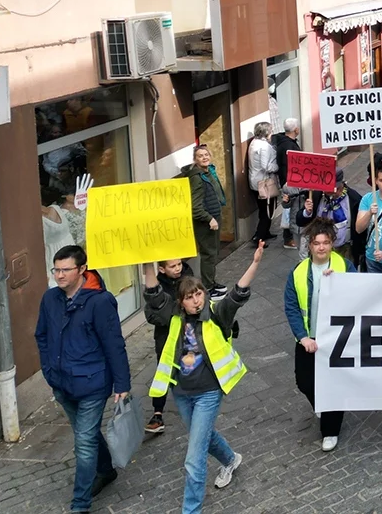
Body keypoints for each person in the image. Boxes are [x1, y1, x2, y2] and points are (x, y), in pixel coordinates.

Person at [147, 243, 263, 512]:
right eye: (189, 297)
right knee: (204, 435)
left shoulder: (216, 313)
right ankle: (231, 459)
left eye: (199, 294)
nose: (196, 300)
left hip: (209, 392)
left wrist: (255, 263)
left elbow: (236, 295)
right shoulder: (173, 317)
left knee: (194, 456)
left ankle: (191, 510)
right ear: (181, 302)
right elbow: (153, 295)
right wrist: (146, 264)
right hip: (182, 393)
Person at [36, 245, 130, 514]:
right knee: (85, 433)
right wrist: (49, 371)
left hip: (92, 383)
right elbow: (41, 335)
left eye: (65, 270)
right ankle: (105, 471)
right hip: (62, 383)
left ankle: (80, 505)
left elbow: (114, 344)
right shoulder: (50, 298)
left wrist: (121, 384)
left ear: (82, 270)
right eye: (56, 269)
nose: (59, 275)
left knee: (84, 443)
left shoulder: (100, 302)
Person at [285, 220, 353, 451]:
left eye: (325, 243)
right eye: (316, 243)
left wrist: (339, 284)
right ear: (310, 246)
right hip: (309, 339)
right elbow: (292, 306)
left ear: (332, 244)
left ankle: (330, 429)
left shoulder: (345, 267)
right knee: (304, 382)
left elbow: (361, 295)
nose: (321, 247)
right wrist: (303, 336)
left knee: (333, 383)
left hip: (337, 339)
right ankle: (325, 407)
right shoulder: (298, 272)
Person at [143, 257, 195, 434]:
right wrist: (169, 315)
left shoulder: (188, 277)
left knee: (190, 367)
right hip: (165, 336)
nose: (178, 268)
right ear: (162, 269)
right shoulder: (156, 286)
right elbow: (151, 314)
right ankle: (157, 413)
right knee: (163, 372)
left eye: (179, 264)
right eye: (173, 266)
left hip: (188, 334)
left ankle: (195, 402)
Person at [183, 145, 226, 295]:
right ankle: (208, 287)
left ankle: (211, 282)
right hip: (206, 223)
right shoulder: (197, 177)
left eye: (206, 154)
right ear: (195, 159)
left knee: (213, 253)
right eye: (200, 156)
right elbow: (195, 207)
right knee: (208, 254)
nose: (205, 157)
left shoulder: (207, 172)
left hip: (213, 218)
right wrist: (209, 219)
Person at [297, 168, 365, 265]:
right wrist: (307, 212)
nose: (331, 192)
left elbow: (361, 229)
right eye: (328, 188)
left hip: (345, 249)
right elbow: (299, 221)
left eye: (336, 189)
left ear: (342, 184)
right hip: (321, 249)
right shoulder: (316, 195)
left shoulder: (354, 199)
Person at [270, 118, 302, 249]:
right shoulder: (289, 146)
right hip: (290, 182)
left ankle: (289, 237)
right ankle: (288, 239)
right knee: (290, 209)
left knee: (290, 208)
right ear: (296, 130)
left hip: (288, 181)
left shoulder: (284, 143)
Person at [247, 121, 279, 245]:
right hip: (264, 183)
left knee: (263, 209)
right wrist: (277, 167)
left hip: (255, 181)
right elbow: (266, 166)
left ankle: (265, 233)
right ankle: (259, 237)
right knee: (267, 210)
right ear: (266, 132)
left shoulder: (254, 143)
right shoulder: (264, 146)